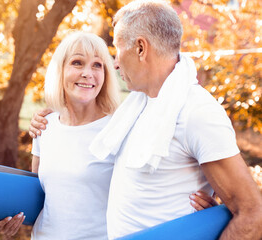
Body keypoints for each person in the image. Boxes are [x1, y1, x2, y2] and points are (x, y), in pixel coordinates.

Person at [29, 1, 262, 240]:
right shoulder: (136, 109)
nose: (115, 63)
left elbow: (252, 214)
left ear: (141, 48)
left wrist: (212, 225)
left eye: (118, 49)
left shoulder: (196, 112)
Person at [0, 31, 215, 239]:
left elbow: (158, 184)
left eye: (97, 65)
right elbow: (40, 198)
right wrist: (7, 217)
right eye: (77, 62)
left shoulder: (121, 127)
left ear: (105, 75)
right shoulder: (45, 127)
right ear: (60, 70)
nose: (87, 73)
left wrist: (207, 213)